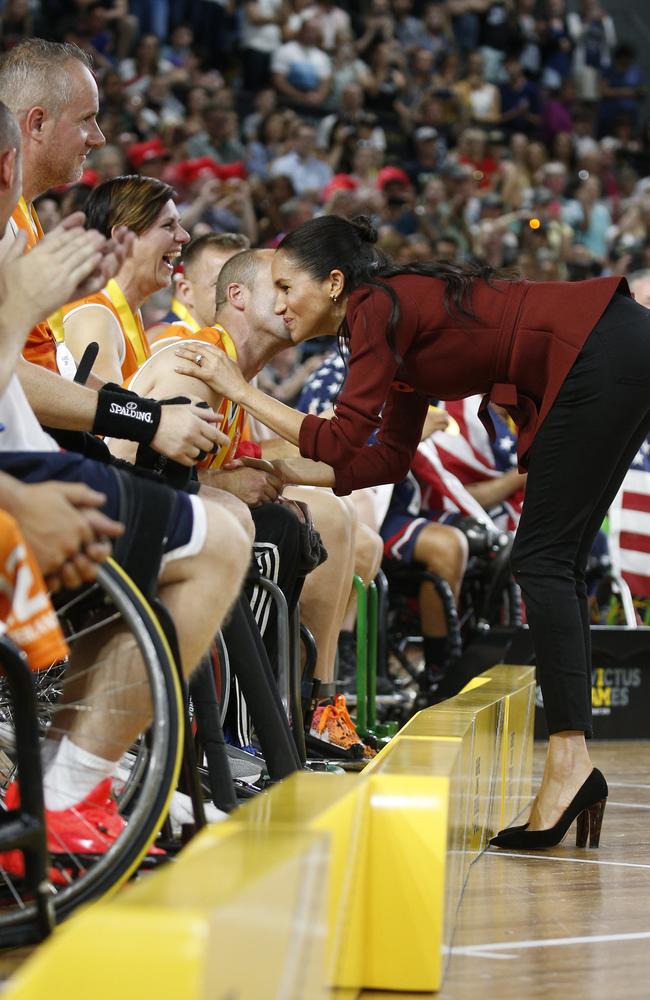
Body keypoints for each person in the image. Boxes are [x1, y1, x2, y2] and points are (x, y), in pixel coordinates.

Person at [176, 212, 650, 850]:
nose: (280, 304)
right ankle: (572, 769)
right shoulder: (388, 316)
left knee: (543, 562)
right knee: (551, 562)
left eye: (288, 287)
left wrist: (240, 390)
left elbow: (344, 437)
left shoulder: (375, 308)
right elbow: (380, 460)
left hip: (597, 349)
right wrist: (289, 468)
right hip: (612, 343)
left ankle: (570, 768)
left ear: (335, 283)